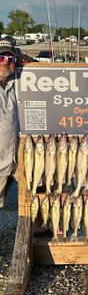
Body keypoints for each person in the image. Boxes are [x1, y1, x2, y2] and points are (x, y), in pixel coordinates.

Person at [0, 39, 19, 208]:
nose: (6, 62)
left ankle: (39, 228)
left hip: (16, 158)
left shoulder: (16, 83)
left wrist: (23, 58)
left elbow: (44, 70)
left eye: (10, 59)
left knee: (39, 188)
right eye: (1, 58)